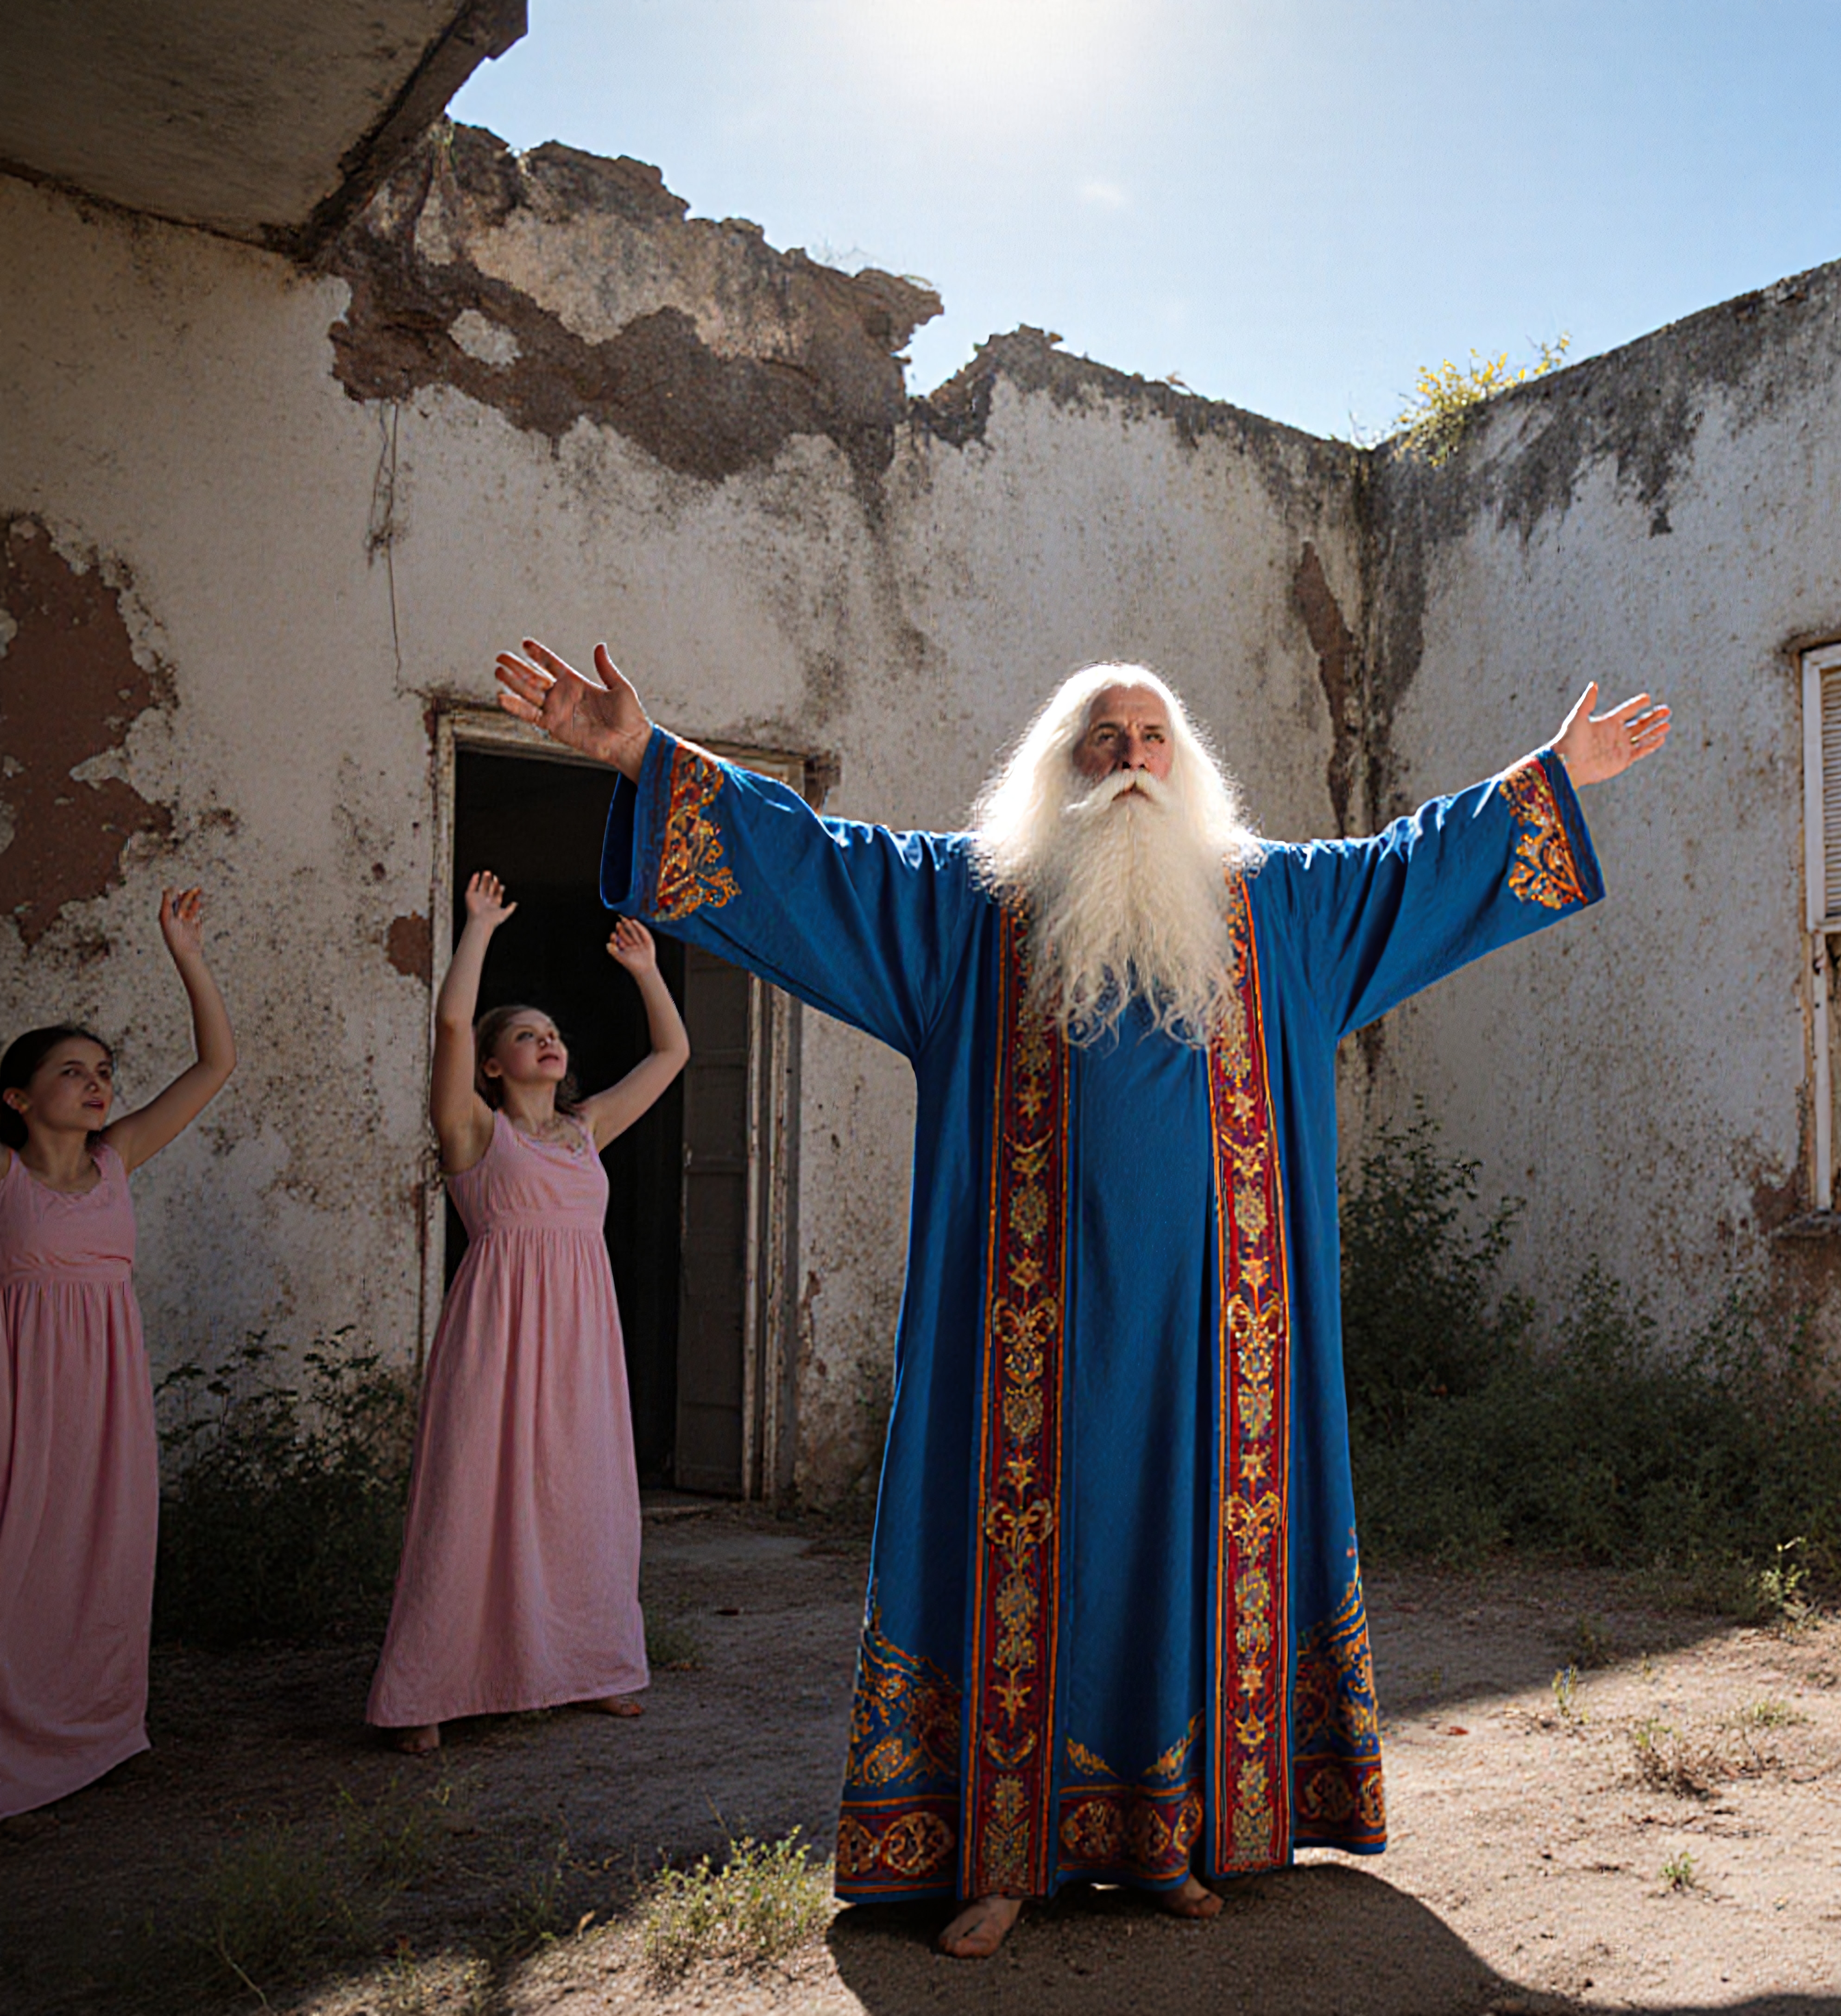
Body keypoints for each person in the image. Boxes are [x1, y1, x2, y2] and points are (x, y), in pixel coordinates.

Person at [495, 636, 1667, 1956]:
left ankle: (1179, 1838)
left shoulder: (1276, 912)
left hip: (1226, 1350)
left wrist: (1556, 774)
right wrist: (646, 760)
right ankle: (999, 1863)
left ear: (1189, 767)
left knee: (1188, 1565)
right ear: (1062, 767)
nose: (1130, 760)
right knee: (1025, 1576)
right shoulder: (969, 909)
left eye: (1152, 737)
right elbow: (813, 863)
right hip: (1023, 1358)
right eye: (1102, 740)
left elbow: (1415, 865)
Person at [369, 873, 690, 1753]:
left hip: (582, 1336)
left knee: (582, 1495)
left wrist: (647, 970)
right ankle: (427, 1691)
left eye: (551, 1035)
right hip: (498, 1331)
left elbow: (671, 1056)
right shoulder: (475, 1132)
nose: (546, 1043)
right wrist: (475, 929)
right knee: (471, 1499)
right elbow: (445, 1027)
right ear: (491, 1065)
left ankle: (591, 1665)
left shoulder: (586, 1129)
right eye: (524, 1036)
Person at [0, 888, 234, 1816]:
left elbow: (216, 1063)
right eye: (72, 1071)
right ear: (18, 1097)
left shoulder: (116, 1158)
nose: (98, 1084)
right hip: (22, 1388)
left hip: (107, 1393)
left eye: (105, 1069)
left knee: (106, 1552)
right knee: (19, 1552)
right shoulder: (8, 1173)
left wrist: (186, 952)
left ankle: (94, 1731)